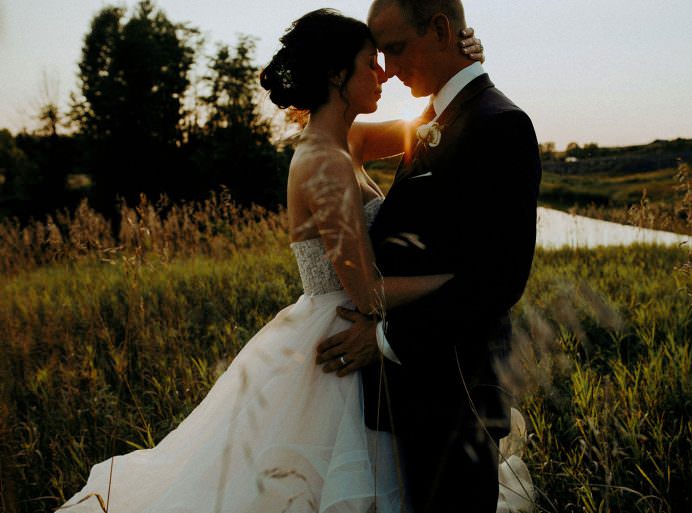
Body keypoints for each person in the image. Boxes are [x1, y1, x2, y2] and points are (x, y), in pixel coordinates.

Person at [56, 8, 488, 513]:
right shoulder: (323, 161)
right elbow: (366, 291)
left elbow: (439, 127)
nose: (384, 73)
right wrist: (457, 279)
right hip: (338, 342)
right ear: (335, 75)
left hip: (342, 326)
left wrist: (462, 65)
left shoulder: (348, 141)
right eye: (371, 63)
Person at [315, 1, 542, 512]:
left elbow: (501, 278)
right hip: (402, 394)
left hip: (455, 395)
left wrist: (385, 337)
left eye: (394, 49)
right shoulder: (434, 118)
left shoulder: (501, 124)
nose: (388, 71)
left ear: (440, 29)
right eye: (377, 57)